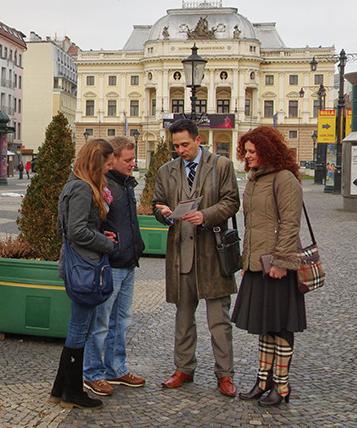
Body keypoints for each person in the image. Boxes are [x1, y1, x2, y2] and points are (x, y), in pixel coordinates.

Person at [152, 119, 241, 398]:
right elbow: (157, 203)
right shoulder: (166, 171)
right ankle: (183, 368)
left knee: (219, 320)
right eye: (176, 145)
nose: (180, 150)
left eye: (185, 145)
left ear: (198, 140)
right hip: (181, 254)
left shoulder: (221, 166)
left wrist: (206, 215)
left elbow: (231, 202)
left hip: (213, 253)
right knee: (183, 317)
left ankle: (225, 374)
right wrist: (162, 213)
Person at [231, 125, 306, 407]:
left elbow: (289, 224)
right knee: (265, 325)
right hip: (257, 264)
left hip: (277, 265)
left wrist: (281, 262)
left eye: (252, 151)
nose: (247, 156)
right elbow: (254, 225)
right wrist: (246, 260)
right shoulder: (255, 179)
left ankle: (282, 386)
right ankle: (264, 381)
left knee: (281, 326)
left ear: (266, 150)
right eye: (245, 151)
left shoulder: (284, 179)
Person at [49, 138, 119, 410]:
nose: (109, 169)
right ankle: (74, 393)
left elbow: (63, 228)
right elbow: (76, 231)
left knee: (79, 328)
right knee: (79, 330)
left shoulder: (73, 184)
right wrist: (106, 243)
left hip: (79, 264)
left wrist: (99, 233)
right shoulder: (81, 188)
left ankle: (59, 389)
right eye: (107, 164)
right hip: (84, 268)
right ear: (96, 161)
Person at [82, 136, 146, 397]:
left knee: (122, 321)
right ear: (112, 159)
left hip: (128, 262)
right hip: (110, 264)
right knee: (100, 323)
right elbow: (88, 224)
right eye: (127, 160)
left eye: (133, 159)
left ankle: (116, 368)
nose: (133, 164)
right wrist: (106, 243)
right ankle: (93, 372)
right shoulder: (103, 185)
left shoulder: (126, 185)